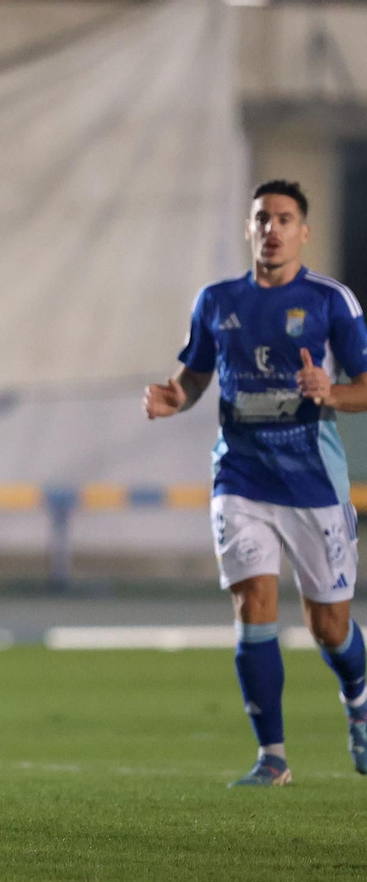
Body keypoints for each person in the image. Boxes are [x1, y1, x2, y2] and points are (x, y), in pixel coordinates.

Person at [143, 179, 367, 786]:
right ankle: (273, 758)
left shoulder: (331, 302)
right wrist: (174, 398)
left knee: (331, 627)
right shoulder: (216, 300)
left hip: (313, 482)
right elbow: (191, 378)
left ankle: (359, 700)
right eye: (263, 218)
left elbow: (364, 387)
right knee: (253, 605)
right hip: (239, 476)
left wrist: (331, 392)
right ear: (249, 227)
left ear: (304, 231)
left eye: (285, 219)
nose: (272, 229)